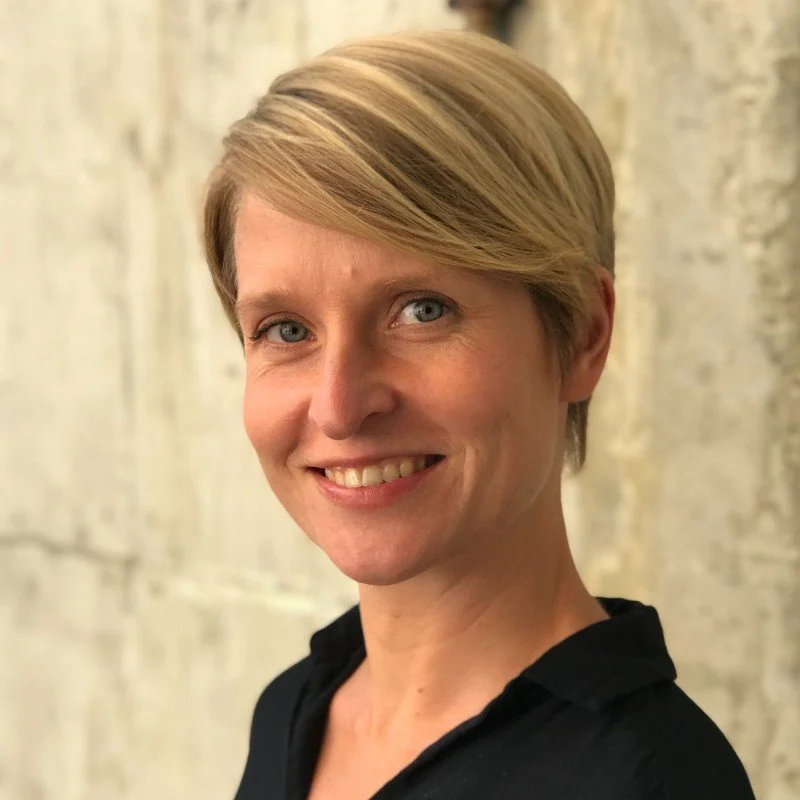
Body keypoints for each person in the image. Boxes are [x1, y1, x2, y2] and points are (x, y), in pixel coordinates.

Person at [202, 28, 756, 800]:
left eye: (421, 310)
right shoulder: (295, 711)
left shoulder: (645, 782)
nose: (338, 406)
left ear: (583, 335)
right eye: (286, 330)